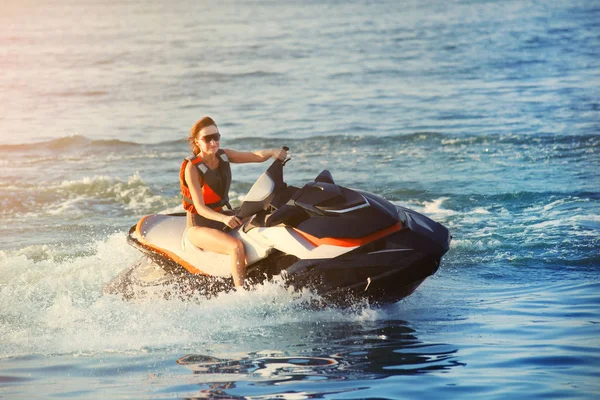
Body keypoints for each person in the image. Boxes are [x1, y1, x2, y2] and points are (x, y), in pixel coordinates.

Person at [179, 116, 287, 288]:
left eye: (216, 136)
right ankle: (241, 293)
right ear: (197, 142)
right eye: (207, 138)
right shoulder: (192, 168)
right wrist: (223, 219)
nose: (213, 142)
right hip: (199, 226)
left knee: (264, 214)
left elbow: (254, 156)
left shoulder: (224, 155)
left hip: (221, 215)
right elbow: (199, 207)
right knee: (235, 247)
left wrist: (272, 152)